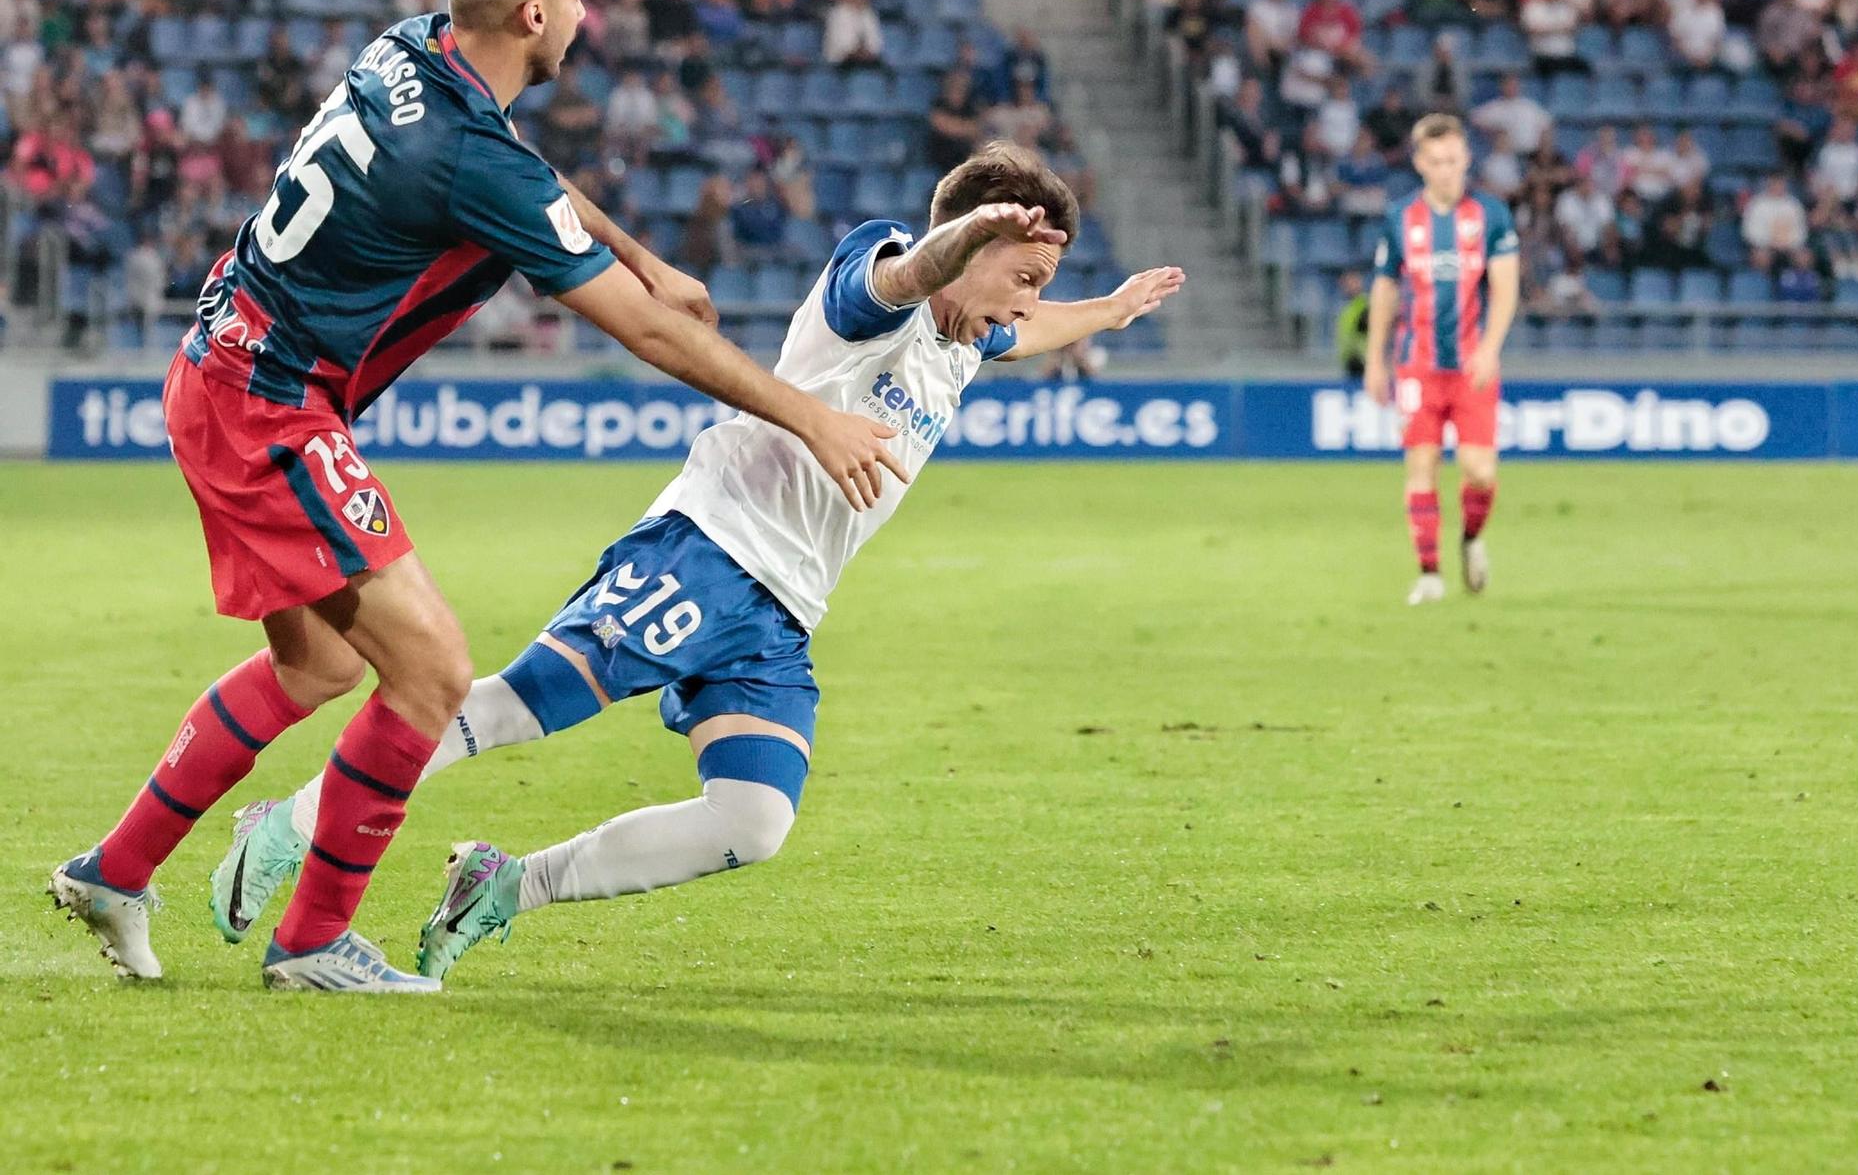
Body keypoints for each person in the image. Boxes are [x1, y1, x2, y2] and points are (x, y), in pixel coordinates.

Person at [47, 0, 902, 994]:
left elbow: (521, 169)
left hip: (224, 364)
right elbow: (638, 330)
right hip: (271, 406)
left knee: (319, 664)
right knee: (434, 670)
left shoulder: (411, 47)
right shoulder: (463, 155)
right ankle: (312, 943)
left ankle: (114, 871)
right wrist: (807, 416)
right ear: (535, 15)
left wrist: (640, 255)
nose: (590, 15)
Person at [209, 144, 1185, 980]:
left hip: (782, 609)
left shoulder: (968, 342)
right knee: (514, 706)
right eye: (1022, 276)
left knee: (752, 818)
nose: (1026, 303)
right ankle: (287, 824)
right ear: (968, 249)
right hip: (707, 548)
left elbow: (1031, 327)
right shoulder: (879, 288)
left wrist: (1106, 309)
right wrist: (965, 241)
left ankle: (508, 881)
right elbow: (905, 276)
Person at [1363, 114, 1519, 606]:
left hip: (1473, 367)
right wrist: (1375, 361)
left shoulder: (1491, 216)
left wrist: (1491, 348)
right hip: (1417, 366)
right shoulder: (1400, 218)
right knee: (1421, 465)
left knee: (1480, 471)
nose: (1447, 170)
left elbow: (1506, 288)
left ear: (1466, 159)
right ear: (1419, 164)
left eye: (1454, 160)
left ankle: (1471, 539)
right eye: (1436, 162)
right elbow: (1385, 290)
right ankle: (1429, 573)